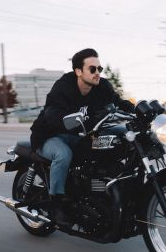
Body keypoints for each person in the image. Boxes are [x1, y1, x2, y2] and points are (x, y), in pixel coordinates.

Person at [30, 48, 134, 225]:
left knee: (117, 143)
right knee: (63, 155)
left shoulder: (102, 87)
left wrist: (138, 109)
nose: (97, 73)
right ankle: (57, 204)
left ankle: (106, 194)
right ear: (78, 71)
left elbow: (118, 102)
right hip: (50, 136)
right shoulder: (63, 87)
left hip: (81, 135)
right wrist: (68, 122)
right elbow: (52, 114)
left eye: (99, 69)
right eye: (92, 69)